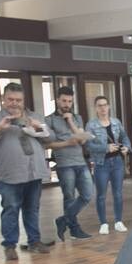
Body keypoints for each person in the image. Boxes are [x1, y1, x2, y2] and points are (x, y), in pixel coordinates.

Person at [0, 82, 52, 261]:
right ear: (3, 100)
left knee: (32, 209)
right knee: (11, 208)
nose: (14, 103)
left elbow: (51, 138)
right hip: (9, 174)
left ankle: (34, 241)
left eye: (18, 100)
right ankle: (10, 245)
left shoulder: (34, 116)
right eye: (10, 99)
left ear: (23, 100)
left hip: (33, 172)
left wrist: (39, 127)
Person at [45, 86, 94, 241]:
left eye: (70, 101)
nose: (67, 104)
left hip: (80, 162)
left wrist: (70, 120)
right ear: (58, 100)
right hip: (64, 164)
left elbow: (83, 139)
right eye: (64, 101)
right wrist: (67, 143)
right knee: (69, 197)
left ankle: (63, 220)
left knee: (87, 194)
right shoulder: (49, 120)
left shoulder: (77, 118)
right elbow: (47, 144)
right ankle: (74, 229)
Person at [84, 94, 131, 234]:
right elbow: (88, 146)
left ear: (109, 107)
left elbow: (124, 137)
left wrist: (126, 147)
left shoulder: (116, 122)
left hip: (117, 161)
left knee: (118, 193)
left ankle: (118, 221)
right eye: (100, 106)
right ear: (96, 109)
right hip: (101, 163)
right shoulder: (91, 125)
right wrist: (106, 148)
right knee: (101, 195)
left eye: (105, 105)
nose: (103, 108)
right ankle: (103, 223)